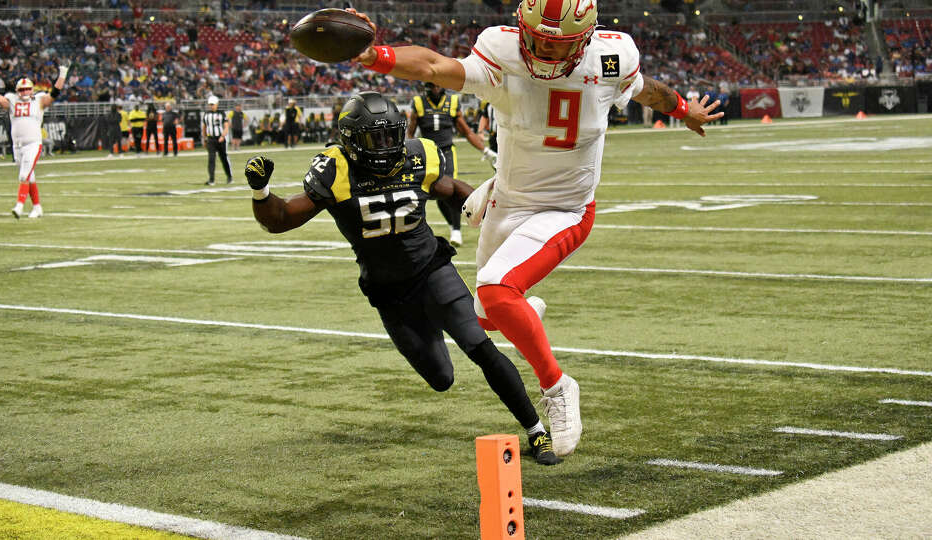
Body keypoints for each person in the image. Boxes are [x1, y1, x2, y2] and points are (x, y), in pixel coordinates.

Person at [349, 1, 722, 456]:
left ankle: (558, 387)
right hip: (507, 200)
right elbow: (434, 65)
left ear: (584, 39)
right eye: (538, 36)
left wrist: (684, 109)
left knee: (495, 290)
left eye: (556, 42)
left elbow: (645, 91)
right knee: (486, 315)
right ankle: (526, 313)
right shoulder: (502, 51)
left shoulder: (611, 57)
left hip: (565, 209)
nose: (544, 49)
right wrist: (375, 55)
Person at [244, 91, 560, 466]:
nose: (386, 145)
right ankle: (477, 319)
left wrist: (488, 203)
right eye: (375, 138)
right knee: (441, 378)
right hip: (389, 293)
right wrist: (261, 191)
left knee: (480, 347)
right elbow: (281, 218)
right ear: (350, 140)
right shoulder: (337, 169)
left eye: (391, 135)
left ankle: (537, 431)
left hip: (432, 270)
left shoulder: (416, 155)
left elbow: (452, 188)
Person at [407, 82, 497, 247]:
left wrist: (485, 150)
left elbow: (466, 131)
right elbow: (410, 132)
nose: (435, 89)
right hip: (427, 154)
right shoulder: (419, 103)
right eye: (432, 86)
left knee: (449, 188)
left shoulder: (452, 102)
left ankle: (456, 229)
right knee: (437, 193)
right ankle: (452, 226)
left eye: (437, 86)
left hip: (447, 152)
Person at [0, 62, 70, 219]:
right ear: (17, 91)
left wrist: (62, 74)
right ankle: (37, 207)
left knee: (23, 176)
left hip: (33, 144)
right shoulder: (12, 100)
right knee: (30, 176)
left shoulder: (39, 100)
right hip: (17, 145)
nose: (25, 92)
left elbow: (55, 93)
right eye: (22, 89)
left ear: (32, 89)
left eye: (27, 89)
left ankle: (19, 206)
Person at [202, 94, 232, 185]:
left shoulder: (222, 113)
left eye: (213, 104)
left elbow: (226, 126)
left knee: (224, 158)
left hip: (220, 139)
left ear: (217, 104)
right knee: (211, 159)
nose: (211, 106)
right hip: (211, 139)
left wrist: (223, 136)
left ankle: (229, 176)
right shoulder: (206, 114)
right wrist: (205, 138)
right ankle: (211, 179)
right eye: (210, 104)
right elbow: (204, 127)